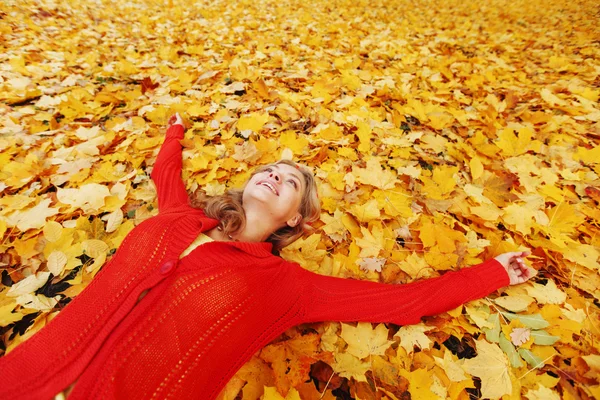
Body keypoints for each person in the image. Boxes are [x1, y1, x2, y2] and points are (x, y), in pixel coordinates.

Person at [0, 114, 535, 400]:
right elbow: (167, 175)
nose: (277, 174)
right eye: (273, 169)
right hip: (25, 375)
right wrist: (175, 131)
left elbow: (399, 302)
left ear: (295, 220)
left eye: (292, 183)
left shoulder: (285, 286)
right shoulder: (182, 217)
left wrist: (492, 272)